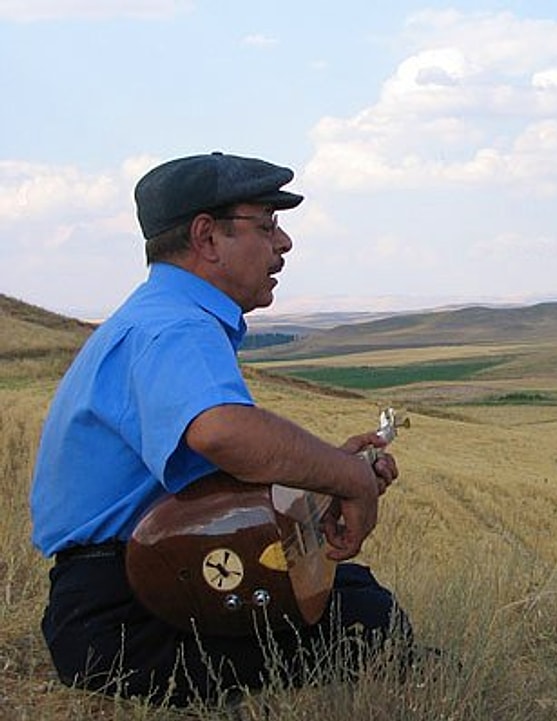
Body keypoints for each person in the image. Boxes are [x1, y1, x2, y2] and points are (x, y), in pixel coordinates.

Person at [29, 152, 413, 707]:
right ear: (207, 238)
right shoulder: (175, 328)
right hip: (123, 617)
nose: (284, 244)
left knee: (355, 597)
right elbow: (222, 433)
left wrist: (328, 474)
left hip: (147, 583)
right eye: (267, 225)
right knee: (366, 626)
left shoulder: (157, 316)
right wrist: (350, 479)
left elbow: (211, 488)